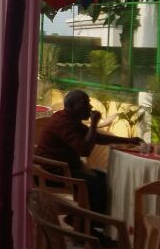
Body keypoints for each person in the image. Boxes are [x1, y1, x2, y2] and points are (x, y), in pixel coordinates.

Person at [36, 89, 142, 220]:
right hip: (52, 173)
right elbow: (84, 150)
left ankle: (81, 219)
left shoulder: (70, 119)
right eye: (84, 103)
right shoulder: (63, 122)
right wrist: (93, 124)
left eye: (88, 103)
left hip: (65, 168)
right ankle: (88, 223)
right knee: (96, 185)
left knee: (106, 179)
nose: (90, 107)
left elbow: (96, 137)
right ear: (70, 107)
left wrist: (127, 140)